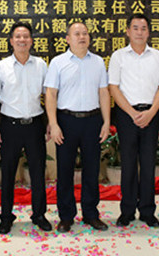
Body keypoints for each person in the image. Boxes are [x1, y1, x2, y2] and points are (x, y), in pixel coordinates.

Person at [44, 21, 111, 233]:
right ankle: (66, 216)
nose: (82, 37)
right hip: (66, 121)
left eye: (85, 33)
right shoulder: (58, 62)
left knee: (92, 169)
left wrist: (106, 122)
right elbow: (51, 94)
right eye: (77, 34)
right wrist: (53, 124)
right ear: (67, 39)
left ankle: (91, 214)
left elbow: (103, 92)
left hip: (92, 120)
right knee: (65, 170)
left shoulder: (98, 62)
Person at [0, 22, 52, 235]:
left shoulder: (41, 65)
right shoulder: (1, 67)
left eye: (25, 36)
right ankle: (6, 217)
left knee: (37, 172)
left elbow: (49, 95)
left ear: (31, 41)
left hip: (35, 124)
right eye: (18, 36)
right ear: (11, 41)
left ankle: (39, 215)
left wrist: (50, 122)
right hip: (10, 126)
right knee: (8, 173)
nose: (22, 40)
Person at [108, 14, 159, 228]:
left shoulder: (158, 57)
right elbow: (113, 88)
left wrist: (151, 112)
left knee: (149, 164)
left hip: (151, 114)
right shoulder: (118, 56)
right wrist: (132, 113)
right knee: (128, 164)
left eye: (143, 28)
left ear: (149, 32)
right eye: (135, 28)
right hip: (127, 116)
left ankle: (147, 211)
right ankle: (127, 211)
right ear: (127, 31)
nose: (139, 32)